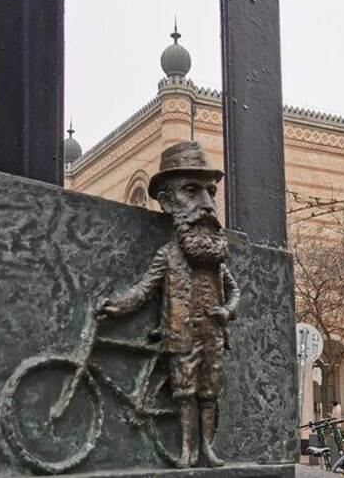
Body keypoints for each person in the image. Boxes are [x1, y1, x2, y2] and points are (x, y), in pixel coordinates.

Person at [99, 141, 239, 468]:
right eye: (192, 191)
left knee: (209, 394)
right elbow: (143, 290)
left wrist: (227, 311)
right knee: (185, 395)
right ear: (166, 201)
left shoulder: (216, 260)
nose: (206, 204)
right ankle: (186, 449)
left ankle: (208, 448)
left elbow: (234, 293)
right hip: (181, 337)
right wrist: (116, 307)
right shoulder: (169, 255)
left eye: (211, 192)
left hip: (213, 336)